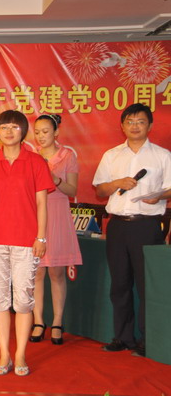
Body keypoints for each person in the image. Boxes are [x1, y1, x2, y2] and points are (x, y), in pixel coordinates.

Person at [0, 110, 54, 376]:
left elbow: (42, 203)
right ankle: (4, 354)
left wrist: (41, 237)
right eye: (3, 127)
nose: (8, 132)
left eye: (14, 127)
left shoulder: (36, 162)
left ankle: (20, 355)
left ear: (23, 131)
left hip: (26, 242)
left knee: (23, 301)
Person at [93, 103, 171, 357]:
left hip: (147, 226)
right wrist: (116, 183)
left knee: (147, 285)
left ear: (150, 126)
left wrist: (159, 196)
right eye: (130, 122)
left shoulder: (162, 155)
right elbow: (100, 189)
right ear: (122, 126)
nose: (134, 126)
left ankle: (148, 340)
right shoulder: (112, 155)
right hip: (117, 226)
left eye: (140, 122)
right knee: (120, 284)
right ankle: (123, 337)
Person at [30, 114, 82, 345]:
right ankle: (38, 321)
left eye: (45, 132)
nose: (41, 136)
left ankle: (58, 322)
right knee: (36, 272)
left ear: (56, 132)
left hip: (58, 214)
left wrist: (54, 179)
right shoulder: (31, 156)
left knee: (56, 272)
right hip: (34, 215)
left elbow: (72, 191)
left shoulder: (67, 156)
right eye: (37, 132)